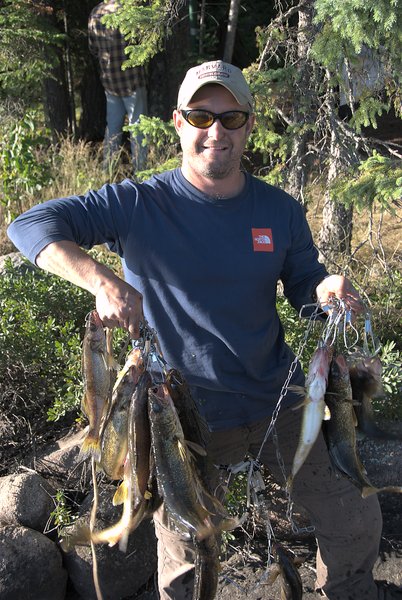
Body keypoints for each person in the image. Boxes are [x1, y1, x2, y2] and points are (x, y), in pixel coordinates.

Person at [8, 60, 386, 600]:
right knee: (187, 552)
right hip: (178, 414)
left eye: (231, 117)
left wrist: (324, 291)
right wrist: (101, 282)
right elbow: (28, 226)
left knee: (353, 515)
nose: (216, 131)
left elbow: (304, 284)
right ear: (178, 123)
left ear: (249, 125)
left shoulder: (278, 210)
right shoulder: (136, 203)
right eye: (200, 116)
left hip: (278, 400)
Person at [88, 0, 148, 171]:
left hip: (110, 81)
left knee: (113, 127)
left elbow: (93, 48)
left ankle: (108, 168)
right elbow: (143, 44)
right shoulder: (130, 10)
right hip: (133, 80)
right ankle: (141, 172)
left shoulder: (96, 12)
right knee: (139, 127)